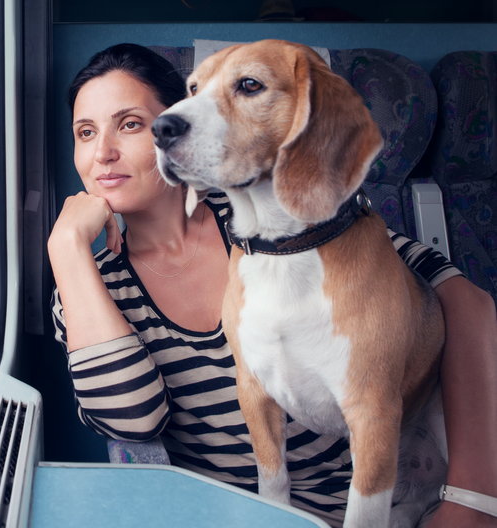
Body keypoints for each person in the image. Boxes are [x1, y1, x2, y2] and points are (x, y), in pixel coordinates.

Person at [48, 43, 497, 527]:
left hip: (367, 497)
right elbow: (132, 421)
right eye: (85, 132)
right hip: (234, 514)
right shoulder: (86, 290)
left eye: (132, 123)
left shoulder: (277, 215)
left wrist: (473, 500)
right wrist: (68, 249)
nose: (102, 154)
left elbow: (461, 299)